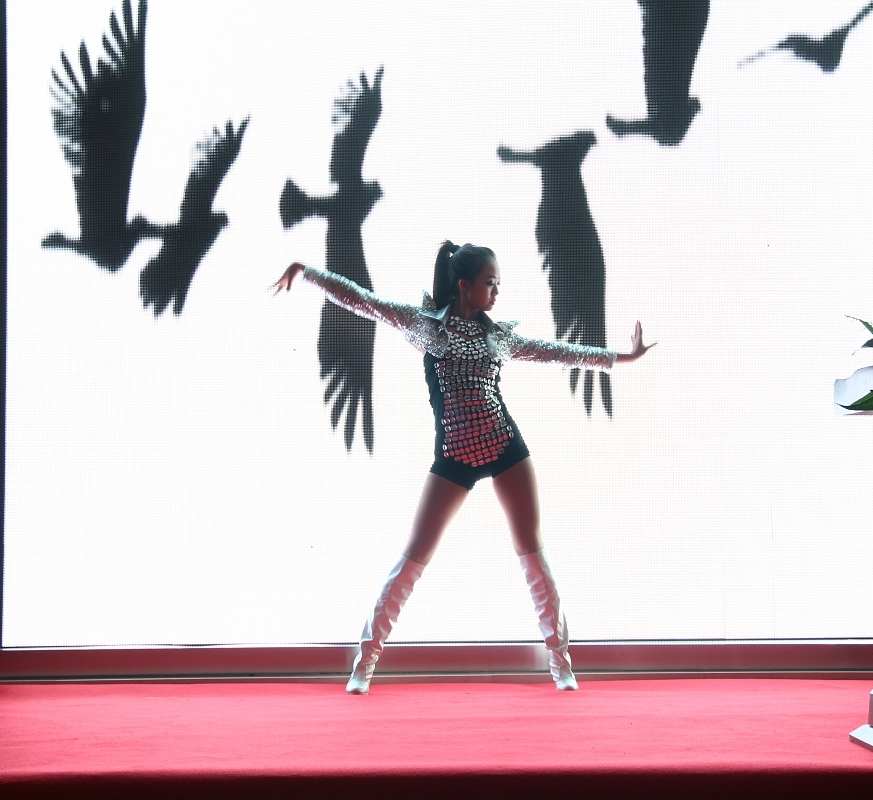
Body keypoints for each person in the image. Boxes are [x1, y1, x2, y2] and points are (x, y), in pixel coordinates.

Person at [272, 242, 655, 693]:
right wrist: (307, 272)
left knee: (532, 552)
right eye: (490, 283)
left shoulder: (498, 337)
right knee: (414, 556)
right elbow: (364, 301)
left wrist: (621, 358)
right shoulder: (426, 327)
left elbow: (555, 351)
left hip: (504, 446)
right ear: (464, 285)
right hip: (454, 454)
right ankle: (365, 663)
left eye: (498, 284)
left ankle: (561, 663)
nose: (497, 292)